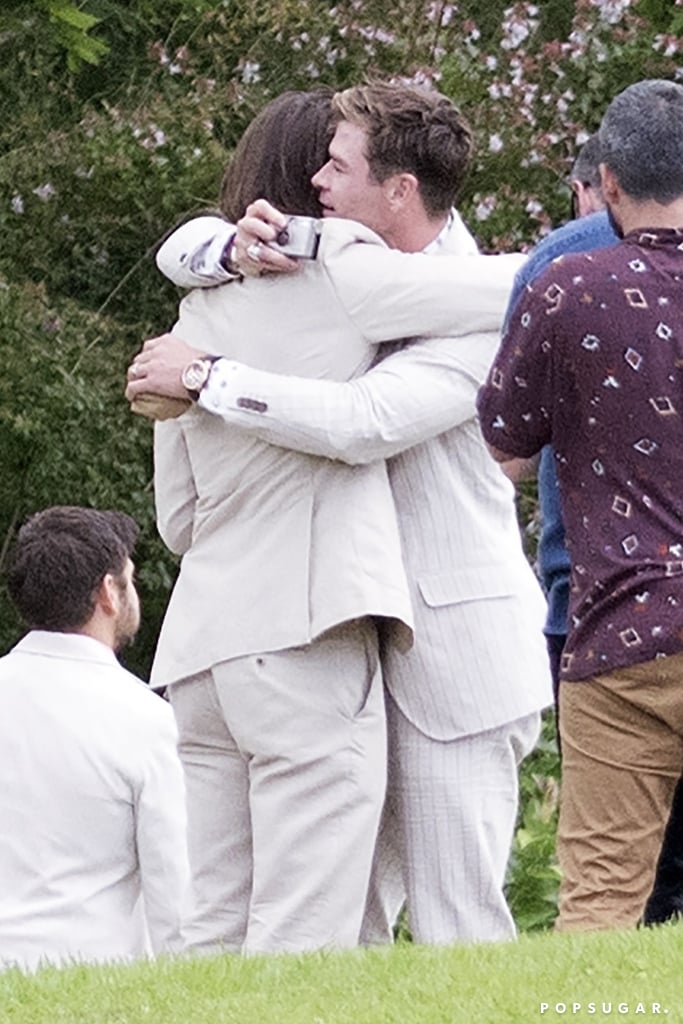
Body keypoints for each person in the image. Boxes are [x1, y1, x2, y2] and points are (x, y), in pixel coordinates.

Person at [127, 81, 552, 946]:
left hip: (445, 654)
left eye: (341, 164)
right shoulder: (303, 280)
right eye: (316, 162)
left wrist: (208, 374)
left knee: (451, 923)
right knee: (337, 929)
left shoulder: (466, 308)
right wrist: (219, 249)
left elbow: (364, 424)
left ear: (396, 190)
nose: (320, 180)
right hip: (334, 642)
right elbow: (187, 247)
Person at [477, 78, 683, 931]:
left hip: (622, 623)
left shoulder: (567, 286)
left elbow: (506, 447)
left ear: (605, 182)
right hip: (621, 623)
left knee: (600, 904)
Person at [0, 505, 188, 971]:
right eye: (131, 578)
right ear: (108, 592)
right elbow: (175, 896)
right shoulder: (145, 718)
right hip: (91, 977)